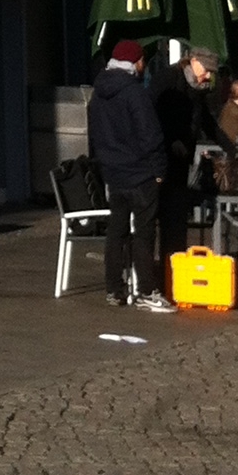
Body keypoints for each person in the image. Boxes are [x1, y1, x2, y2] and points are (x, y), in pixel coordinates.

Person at [87, 38, 176, 314]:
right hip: (140, 173)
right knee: (144, 233)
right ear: (136, 62)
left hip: (113, 173)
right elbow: (151, 136)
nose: (144, 66)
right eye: (143, 61)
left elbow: (95, 135)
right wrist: (159, 171)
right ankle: (147, 291)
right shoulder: (135, 93)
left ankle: (114, 288)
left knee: (117, 231)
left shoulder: (98, 93)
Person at [151, 45, 223, 264]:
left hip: (183, 160)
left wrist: (230, 148)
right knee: (166, 215)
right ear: (193, 61)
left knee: (177, 218)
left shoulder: (198, 88)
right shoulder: (168, 78)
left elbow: (207, 122)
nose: (208, 75)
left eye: (212, 72)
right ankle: (163, 269)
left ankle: (174, 268)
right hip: (163, 158)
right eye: (207, 69)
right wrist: (172, 139)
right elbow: (153, 113)